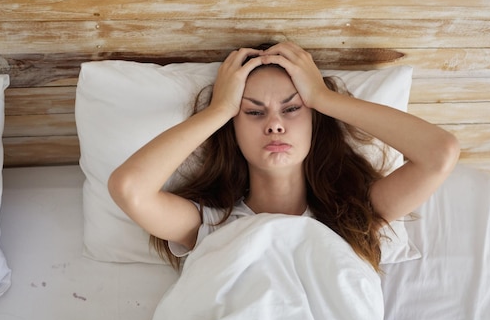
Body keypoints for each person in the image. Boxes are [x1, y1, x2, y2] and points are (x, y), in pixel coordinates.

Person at [108, 42, 460, 272]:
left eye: (291, 108)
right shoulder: (208, 223)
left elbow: (439, 153)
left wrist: (323, 98)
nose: (275, 124)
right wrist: (220, 110)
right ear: (232, 128)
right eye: (254, 113)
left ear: (314, 123)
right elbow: (129, 188)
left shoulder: (351, 215)